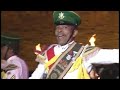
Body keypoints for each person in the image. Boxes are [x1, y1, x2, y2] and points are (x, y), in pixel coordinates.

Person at [29, 11, 119, 79]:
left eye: (65, 27)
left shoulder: (85, 53)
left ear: (74, 32)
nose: (60, 30)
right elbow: (35, 76)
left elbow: (115, 55)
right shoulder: (48, 53)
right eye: (58, 27)